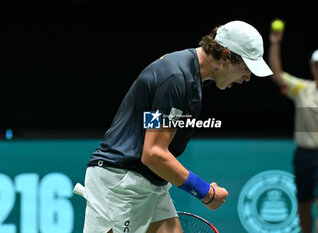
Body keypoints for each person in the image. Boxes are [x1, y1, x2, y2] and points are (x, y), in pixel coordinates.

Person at [83, 20, 273, 233]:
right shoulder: (176, 78)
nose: (247, 78)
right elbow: (153, 153)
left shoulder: (187, 77)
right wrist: (205, 192)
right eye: (245, 68)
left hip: (148, 181)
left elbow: (152, 131)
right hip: (121, 183)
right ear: (226, 55)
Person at [268, 19, 318, 233]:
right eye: (317, 65)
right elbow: (277, 75)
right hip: (303, 155)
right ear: (312, 67)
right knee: (304, 204)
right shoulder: (302, 89)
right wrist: (275, 43)